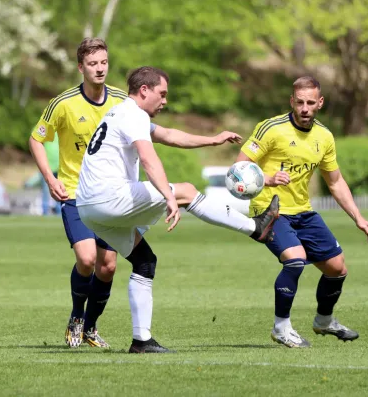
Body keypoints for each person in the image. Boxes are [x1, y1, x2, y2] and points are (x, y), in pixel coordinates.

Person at [29, 39, 243, 349]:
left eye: (104, 62)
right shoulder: (63, 103)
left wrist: (211, 140)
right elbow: (37, 139)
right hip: (77, 193)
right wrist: (50, 178)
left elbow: (164, 135)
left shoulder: (122, 101)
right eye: (93, 63)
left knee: (108, 266)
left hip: (117, 195)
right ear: (80, 68)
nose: (100, 68)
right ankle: (77, 317)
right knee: (87, 259)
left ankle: (90, 327)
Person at [76, 66, 279, 353]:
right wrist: (170, 197)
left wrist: (212, 139)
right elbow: (148, 158)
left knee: (144, 261)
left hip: (88, 207)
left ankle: (141, 341)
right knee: (184, 190)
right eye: (162, 93)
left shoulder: (122, 112)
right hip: (108, 197)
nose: (165, 100)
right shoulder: (134, 114)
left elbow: (170, 135)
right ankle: (255, 228)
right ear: (144, 90)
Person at [234, 76, 368, 348]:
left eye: (311, 102)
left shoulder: (324, 137)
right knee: (295, 259)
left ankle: (324, 321)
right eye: (299, 102)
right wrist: (268, 178)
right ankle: (281, 327)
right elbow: (239, 169)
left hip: (303, 212)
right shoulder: (270, 129)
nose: (305, 108)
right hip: (270, 210)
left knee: (337, 268)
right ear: (292, 101)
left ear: (320, 103)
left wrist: (358, 217)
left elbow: (334, 181)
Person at [40, 133, 61, 216]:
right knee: (46, 190)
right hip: (47, 167)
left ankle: (59, 211)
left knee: (60, 189)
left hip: (60, 166)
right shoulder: (44, 126)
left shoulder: (62, 125)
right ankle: (45, 211)